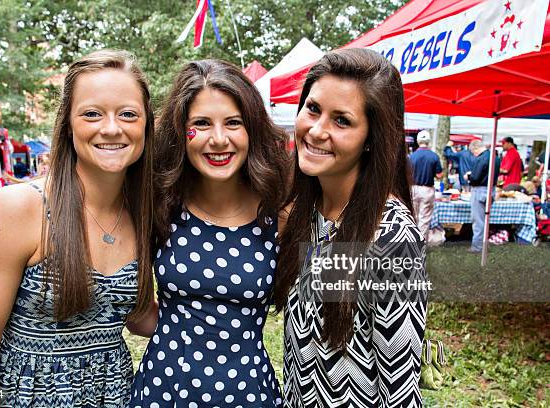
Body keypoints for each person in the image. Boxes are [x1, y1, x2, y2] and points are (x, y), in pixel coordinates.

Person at [0, 50, 158, 407]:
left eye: (128, 114)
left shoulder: (143, 213)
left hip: (115, 397)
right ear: (68, 123)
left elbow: (136, 315)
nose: (111, 128)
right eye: (92, 114)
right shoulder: (19, 208)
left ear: (146, 124)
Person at [129, 59, 289, 407]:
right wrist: (183, 332)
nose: (218, 140)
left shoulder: (280, 211)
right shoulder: (158, 204)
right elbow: (136, 313)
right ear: (180, 131)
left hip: (248, 393)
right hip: (164, 390)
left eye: (233, 123)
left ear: (252, 130)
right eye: (200, 124)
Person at [275, 49, 427, 407]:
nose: (316, 130)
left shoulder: (391, 235)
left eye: (341, 121)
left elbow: (401, 390)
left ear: (371, 138)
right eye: (313, 109)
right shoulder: (304, 214)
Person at [465, 139, 501, 252]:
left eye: (473, 152)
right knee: (485, 219)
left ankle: (477, 246)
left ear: (475, 148)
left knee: (478, 220)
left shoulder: (481, 158)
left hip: (480, 190)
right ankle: (483, 243)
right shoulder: (495, 157)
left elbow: (475, 178)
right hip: (491, 190)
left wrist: (468, 177)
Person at [409, 130, 443, 241]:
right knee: (424, 218)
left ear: (418, 141)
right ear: (428, 141)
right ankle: (420, 244)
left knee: (412, 216)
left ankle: (410, 241)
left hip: (413, 188)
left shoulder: (411, 157)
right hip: (427, 189)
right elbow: (439, 175)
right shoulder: (434, 156)